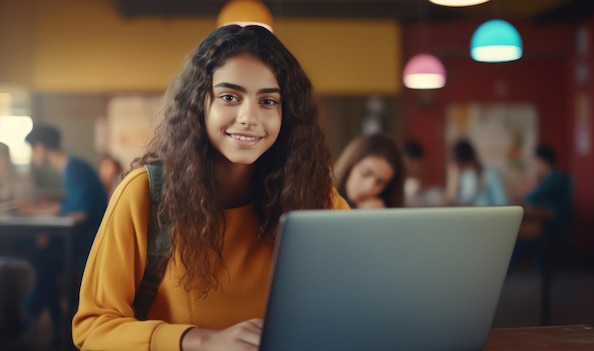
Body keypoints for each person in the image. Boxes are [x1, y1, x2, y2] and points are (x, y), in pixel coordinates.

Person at [72, 25, 349, 351]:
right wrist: (198, 340)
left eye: (268, 101)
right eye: (229, 97)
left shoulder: (317, 199)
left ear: (286, 114)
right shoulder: (145, 194)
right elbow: (93, 327)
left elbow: (352, 308)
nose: (249, 117)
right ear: (197, 103)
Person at [17, 124, 108, 339]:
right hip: (87, 237)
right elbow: (73, 206)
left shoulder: (73, 168)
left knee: (43, 259)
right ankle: (52, 320)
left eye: (32, 150)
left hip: (88, 241)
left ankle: (30, 317)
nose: (32, 156)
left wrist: (40, 212)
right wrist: (42, 210)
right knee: (44, 257)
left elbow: (81, 213)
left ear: (40, 147)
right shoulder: (73, 166)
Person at [510, 145, 574, 271]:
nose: (534, 167)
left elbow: (533, 197)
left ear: (543, 161)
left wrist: (520, 194)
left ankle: (510, 265)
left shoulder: (555, 178)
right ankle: (538, 268)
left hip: (559, 220)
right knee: (531, 232)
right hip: (553, 217)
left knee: (530, 233)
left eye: (535, 163)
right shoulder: (552, 176)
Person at [333, 133, 405, 208]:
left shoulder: (382, 208)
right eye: (365, 173)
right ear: (350, 166)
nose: (369, 187)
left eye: (380, 182)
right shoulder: (324, 199)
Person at [444, 139, 509, 206]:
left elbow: (502, 201)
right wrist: (453, 180)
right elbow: (454, 200)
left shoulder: (490, 174)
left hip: (490, 214)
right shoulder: (463, 176)